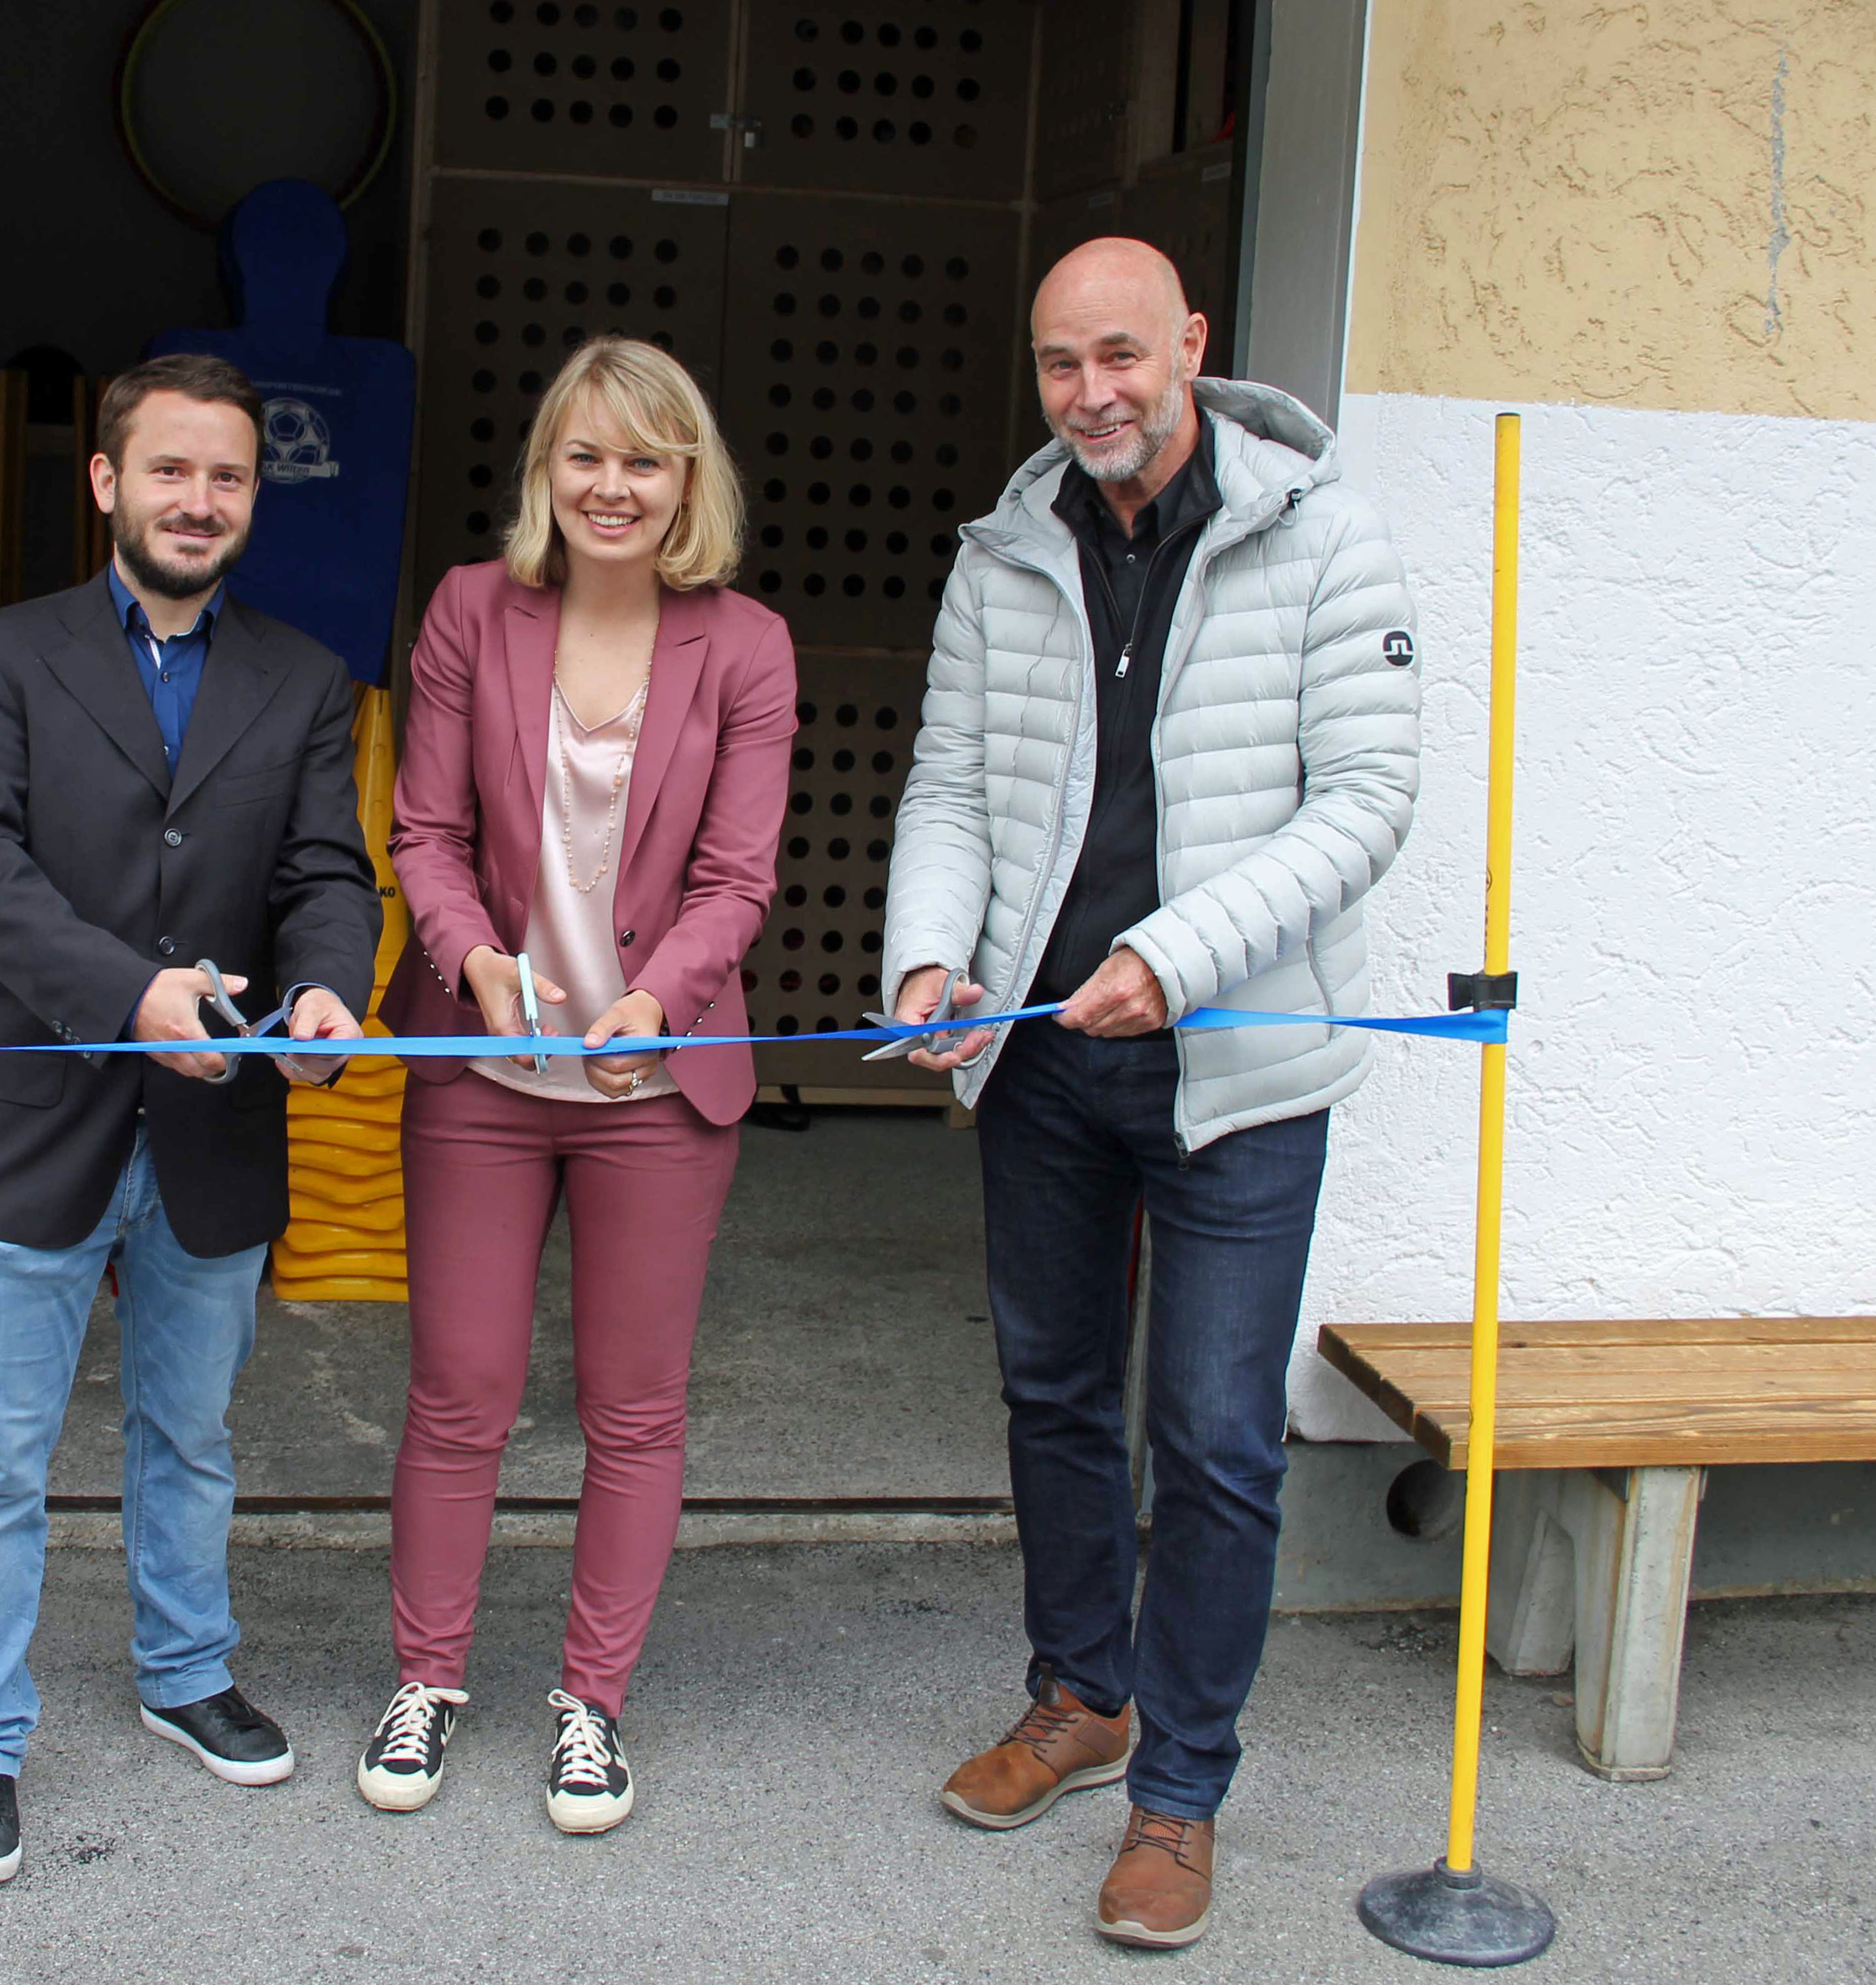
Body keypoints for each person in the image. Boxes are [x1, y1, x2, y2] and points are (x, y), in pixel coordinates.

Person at [881, 239, 1422, 1948]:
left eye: (1121, 353)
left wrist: (1178, 962)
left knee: (1213, 1440)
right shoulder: (1007, 548)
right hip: (1044, 1053)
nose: (1092, 393)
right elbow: (952, 783)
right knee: (1052, 1396)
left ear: (1191, 343)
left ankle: (1180, 1793)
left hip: (1238, 1070)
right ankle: (1082, 1695)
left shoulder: (1325, 537)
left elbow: (1366, 806)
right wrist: (927, 959)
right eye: (1058, 364)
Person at [0, 352, 383, 1886]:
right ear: (108, 482)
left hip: (220, 1126)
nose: (200, 500)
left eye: (228, 475)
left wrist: (323, 992)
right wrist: (132, 995)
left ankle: (189, 1674)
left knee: (191, 1435)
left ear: (255, 495)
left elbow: (327, 873)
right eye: (171, 470)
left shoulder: (306, 680)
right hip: (35, 1108)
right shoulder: (0, 658)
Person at [367, 337, 796, 1834]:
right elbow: (423, 828)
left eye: (647, 458)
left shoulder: (746, 646)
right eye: (586, 455)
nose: (614, 486)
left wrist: (652, 1000)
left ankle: (592, 1706)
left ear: (691, 481)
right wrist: (472, 956)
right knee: (460, 1391)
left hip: (658, 1090)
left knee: (633, 1409)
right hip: (483, 1069)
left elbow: (740, 882)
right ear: (547, 469)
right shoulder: (472, 613)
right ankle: (425, 1679)